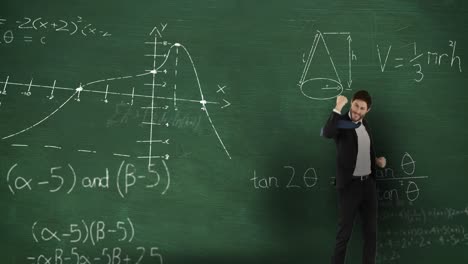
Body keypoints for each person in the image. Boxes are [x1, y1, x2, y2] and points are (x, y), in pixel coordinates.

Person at [322, 90, 386, 264]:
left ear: (368, 110)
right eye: (356, 105)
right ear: (351, 102)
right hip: (350, 186)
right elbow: (327, 132)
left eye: (362, 108)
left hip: (368, 185)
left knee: (371, 233)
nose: (357, 111)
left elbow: (363, 150)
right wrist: (337, 107)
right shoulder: (341, 123)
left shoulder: (366, 124)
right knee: (344, 235)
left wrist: (377, 161)